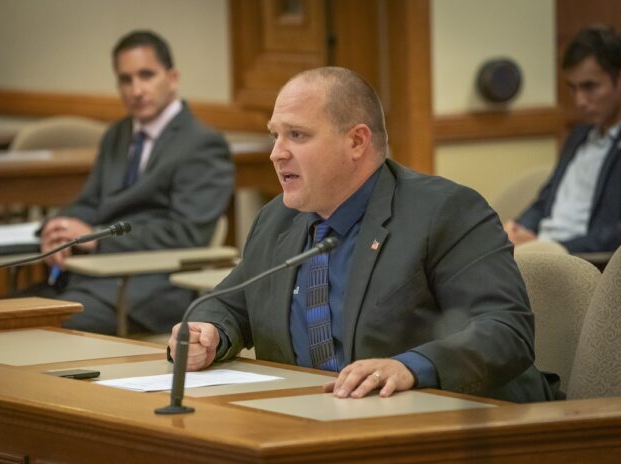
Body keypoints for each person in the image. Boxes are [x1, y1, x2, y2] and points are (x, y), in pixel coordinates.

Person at [168, 67, 557, 403]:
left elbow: (505, 330)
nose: (277, 153)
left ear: (356, 141)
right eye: (275, 136)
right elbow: (231, 303)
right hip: (316, 424)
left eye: (297, 136)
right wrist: (209, 333)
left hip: (463, 426)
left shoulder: (444, 212)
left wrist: (411, 368)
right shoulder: (278, 220)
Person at [29, 31, 233, 334]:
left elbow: (188, 233)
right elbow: (90, 202)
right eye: (125, 79)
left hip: (151, 288)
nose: (136, 90)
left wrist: (96, 237)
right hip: (88, 280)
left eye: (146, 75)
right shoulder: (117, 134)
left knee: (37, 326)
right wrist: (59, 226)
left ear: (173, 77)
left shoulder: (203, 143)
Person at [505, 25, 621, 253]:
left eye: (590, 87)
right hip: (543, 250)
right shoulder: (579, 135)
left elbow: (613, 234)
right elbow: (545, 201)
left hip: (585, 259)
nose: (579, 101)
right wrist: (517, 228)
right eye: (573, 88)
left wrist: (550, 247)